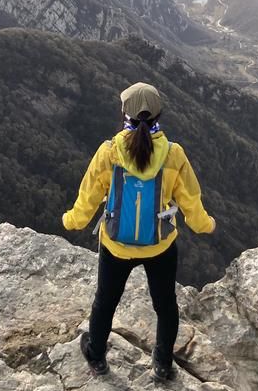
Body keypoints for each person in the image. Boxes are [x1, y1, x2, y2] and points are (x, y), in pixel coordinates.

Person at [62, 81, 216, 381]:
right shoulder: (173, 154)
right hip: (159, 245)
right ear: (159, 114)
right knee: (165, 305)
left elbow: (88, 198)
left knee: (105, 301)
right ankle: (161, 364)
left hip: (116, 245)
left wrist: (71, 221)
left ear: (124, 113)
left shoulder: (109, 153)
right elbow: (190, 200)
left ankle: (97, 357)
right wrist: (205, 225)